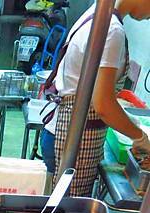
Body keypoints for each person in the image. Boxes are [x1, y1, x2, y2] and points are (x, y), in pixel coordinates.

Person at [41, 0, 150, 197]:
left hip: (63, 130)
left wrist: (129, 122)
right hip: (75, 139)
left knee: (60, 211)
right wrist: (139, 136)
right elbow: (103, 105)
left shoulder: (97, 14)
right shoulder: (111, 30)